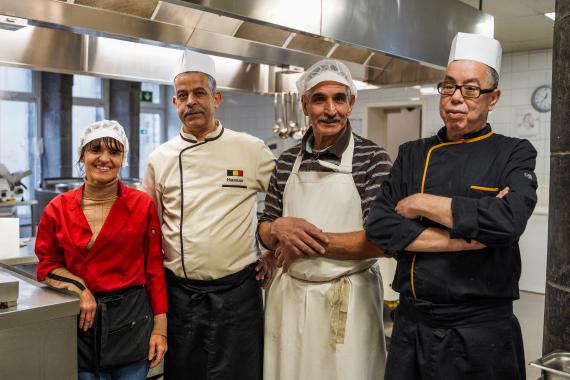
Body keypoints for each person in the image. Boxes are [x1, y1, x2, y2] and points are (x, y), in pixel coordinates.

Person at [366, 32, 538, 380]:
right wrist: (464, 238)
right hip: (411, 328)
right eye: (449, 87)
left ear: (493, 99)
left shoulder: (514, 152)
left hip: (480, 333)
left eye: (471, 89)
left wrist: (421, 202)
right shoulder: (412, 154)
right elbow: (379, 225)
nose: (456, 98)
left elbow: (507, 222)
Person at [143, 50, 275, 380]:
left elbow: (283, 202)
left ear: (216, 98)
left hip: (238, 295)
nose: (191, 102)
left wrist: (272, 250)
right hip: (181, 296)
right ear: (174, 103)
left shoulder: (250, 149)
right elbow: (150, 229)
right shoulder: (160, 159)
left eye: (199, 92)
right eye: (183, 95)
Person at [258, 59, 391, 380]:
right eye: (319, 99)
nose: (330, 110)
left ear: (351, 103)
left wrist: (303, 242)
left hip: (348, 299)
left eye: (339, 99)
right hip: (289, 299)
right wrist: (278, 229)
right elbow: (264, 229)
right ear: (305, 105)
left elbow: (381, 241)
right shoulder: (287, 160)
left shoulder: (373, 158)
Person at [35, 120, 168, 380]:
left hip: (131, 324)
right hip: (82, 325)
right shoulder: (57, 208)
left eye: (114, 152)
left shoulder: (142, 205)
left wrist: (160, 329)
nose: (104, 158)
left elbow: (154, 269)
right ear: (82, 155)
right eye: (95, 149)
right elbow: (46, 265)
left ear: (123, 159)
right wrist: (80, 289)